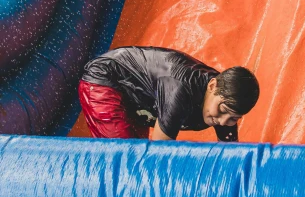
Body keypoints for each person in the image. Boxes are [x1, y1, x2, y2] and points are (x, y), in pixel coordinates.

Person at [78, 46, 260, 141]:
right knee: (126, 156)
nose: (222, 121)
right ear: (212, 86)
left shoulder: (227, 106)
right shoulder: (180, 91)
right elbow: (160, 152)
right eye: (222, 110)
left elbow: (229, 155)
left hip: (138, 99)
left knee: (138, 152)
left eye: (233, 118)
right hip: (106, 78)